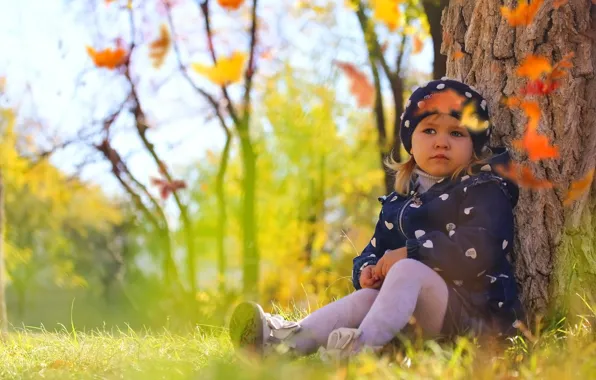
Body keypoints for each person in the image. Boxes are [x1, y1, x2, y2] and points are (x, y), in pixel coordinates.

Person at [228, 78, 525, 360]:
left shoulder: (481, 188)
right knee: (366, 298)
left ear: (473, 147)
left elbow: (481, 246)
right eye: (430, 131)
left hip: (473, 317)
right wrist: (368, 270)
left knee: (407, 270)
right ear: (411, 143)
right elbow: (375, 248)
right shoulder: (399, 203)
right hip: (415, 318)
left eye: (457, 133)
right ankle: (286, 344)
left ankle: (359, 350)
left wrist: (411, 254)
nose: (442, 142)